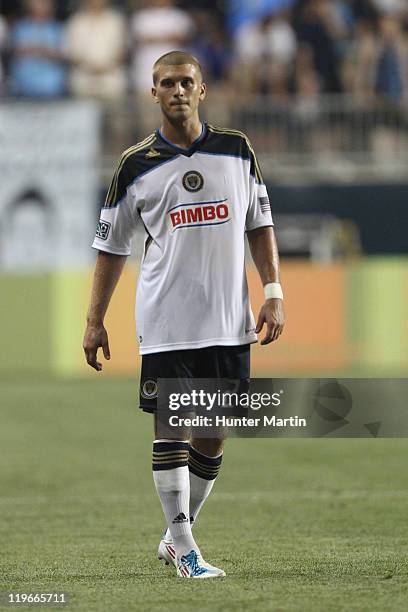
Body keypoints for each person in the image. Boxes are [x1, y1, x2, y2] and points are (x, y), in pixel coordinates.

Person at [83, 50, 285, 578]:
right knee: (172, 427)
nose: (177, 90)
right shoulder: (135, 165)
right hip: (167, 323)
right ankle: (186, 548)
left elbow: (258, 225)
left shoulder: (237, 150)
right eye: (166, 83)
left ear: (203, 88)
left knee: (214, 433)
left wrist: (274, 289)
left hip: (228, 321)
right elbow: (111, 248)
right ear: (153, 93)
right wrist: (94, 319)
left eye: (186, 81)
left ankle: (176, 533)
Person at [9, 0, 66, 98]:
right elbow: (14, 52)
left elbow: (63, 54)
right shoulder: (20, 27)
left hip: (52, 87)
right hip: (24, 86)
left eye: (45, 3)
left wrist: (43, 50)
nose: (41, 6)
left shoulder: (58, 28)